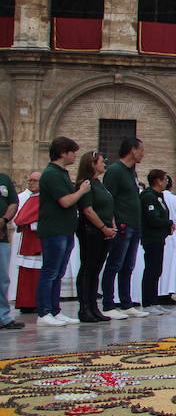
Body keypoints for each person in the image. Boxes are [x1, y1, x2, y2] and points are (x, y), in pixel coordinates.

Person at [35, 137, 90, 326]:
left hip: (65, 229)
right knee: (50, 271)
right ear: (62, 153)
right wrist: (81, 191)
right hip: (54, 230)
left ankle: (55, 310)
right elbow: (65, 201)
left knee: (58, 272)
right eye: (72, 151)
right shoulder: (51, 174)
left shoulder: (62, 173)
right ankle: (44, 313)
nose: (74, 155)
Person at [100, 137, 146, 318]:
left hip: (135, 225)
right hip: (122, 225)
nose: (143, 154)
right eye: (141, 150)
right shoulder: (114, 171)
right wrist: (112, 223)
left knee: (128, 266)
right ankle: (109, 304)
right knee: (114, 264)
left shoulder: (131, 173)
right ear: (132, 150)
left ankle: (126, 303)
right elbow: (108, 198)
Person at [72, 151, 116, 323]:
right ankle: (84, 308)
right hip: (91, 231)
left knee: (96, 269)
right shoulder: (86, 183)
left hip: (104, 231)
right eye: (101, 161)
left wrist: (111, 226)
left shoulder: (100, 183)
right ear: (92, 164)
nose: (104, 163)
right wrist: (103, 227)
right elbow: (88, 210)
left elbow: (108, 205)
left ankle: (93, 306)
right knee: (88, 268)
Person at [138, 170, 173, 316]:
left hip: (159, 238)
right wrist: (168, 223)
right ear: (157, 181)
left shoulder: (158, 197)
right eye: (164, 179)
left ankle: (154, 301)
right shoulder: (148, 197)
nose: (166, 182)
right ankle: (148, 302)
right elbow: (153, 218)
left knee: (156, 270)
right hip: (151, 238)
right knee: (151, 270)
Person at [10, 173, 41, 313]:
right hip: (27, 241)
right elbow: (19, 219)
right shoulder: (26, 198)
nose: (31, 183)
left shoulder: (42, 199)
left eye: (35, 181)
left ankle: (34, 302)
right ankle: (26, 302)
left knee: (36, 273)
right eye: (30, 180)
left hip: (37, 241)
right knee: (27, 273)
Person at [0, 166, 18, 329]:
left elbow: (13, 202)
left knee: (2, 279)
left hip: (1, 236)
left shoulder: (3, 179)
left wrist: (4, 219)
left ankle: (3, 317)